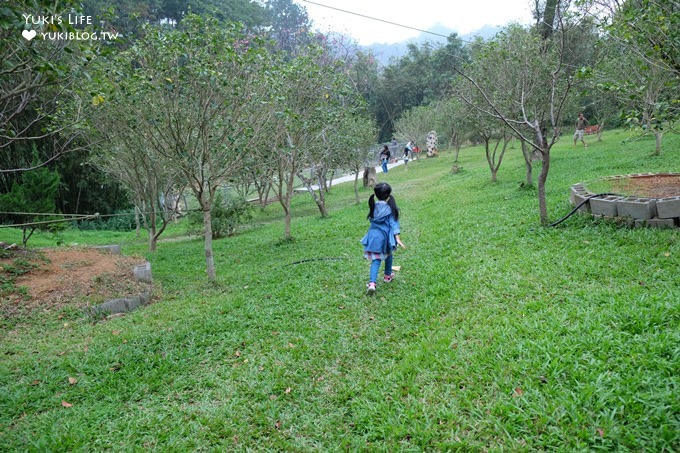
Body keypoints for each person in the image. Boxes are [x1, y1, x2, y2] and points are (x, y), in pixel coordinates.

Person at [361, 182, 406, 295]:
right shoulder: (389, 208)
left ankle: (372, 284)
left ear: (376, 195)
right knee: (389, 255)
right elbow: (393, 224)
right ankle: (387, 276)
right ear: (388, 195)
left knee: (376, 260)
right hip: (384, 238)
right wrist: (397, 238)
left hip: (373, 237)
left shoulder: (373, 205)